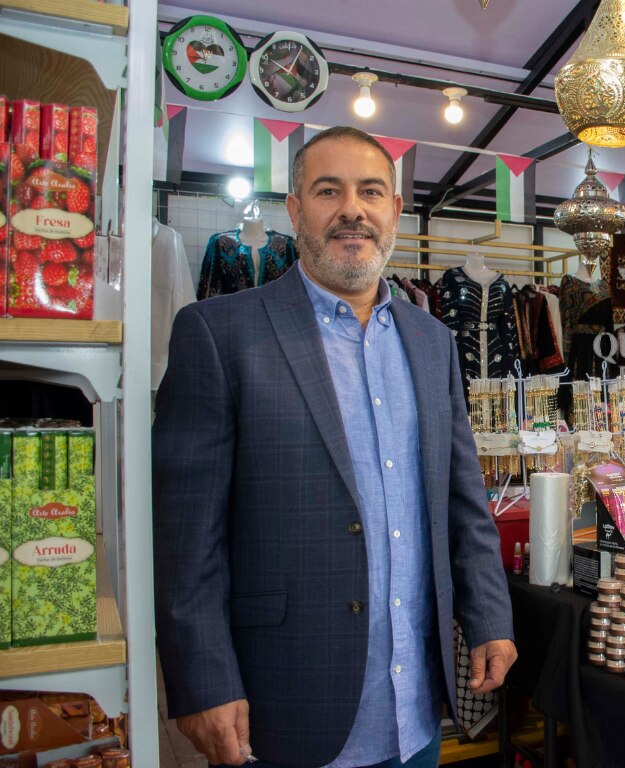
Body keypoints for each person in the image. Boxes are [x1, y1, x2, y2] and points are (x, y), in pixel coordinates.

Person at [153, 126, 517, 768]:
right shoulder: (220, 334)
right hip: (287, 702)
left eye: (371, 191)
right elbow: (187, 539)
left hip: (415, 712)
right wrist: (203, 679)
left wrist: (488, 614)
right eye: (329, 191)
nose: (353, 209)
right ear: (295, 210)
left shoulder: (432, 342)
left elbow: (464, 500)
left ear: (395, 212)